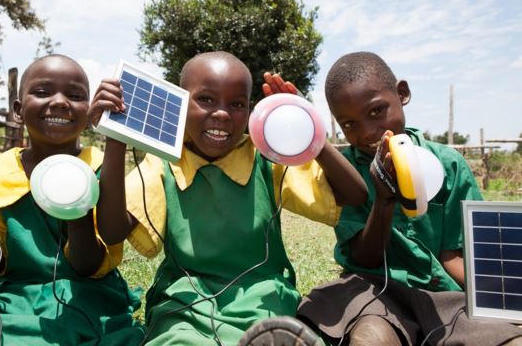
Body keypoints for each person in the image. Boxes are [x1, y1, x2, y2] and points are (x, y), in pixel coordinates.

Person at [92, 51, 367, 345]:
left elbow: (355, 194)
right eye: (206, 100)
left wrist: (309, 126)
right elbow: (111, 231)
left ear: (250, 111)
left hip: (262, 299)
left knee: (273, 337)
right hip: (185, 304)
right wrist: (116, 137)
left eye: (236, 104)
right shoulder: (163, 165)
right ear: (179, 105)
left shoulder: (268, 159)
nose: (222, 113)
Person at [290, 51, 522, 345]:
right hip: (373, 294)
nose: (368, 132)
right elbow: (365, 257)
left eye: (376, 111)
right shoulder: (344, 173)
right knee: (371, 337)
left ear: (402, 94)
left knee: (504, 339)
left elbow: (452, 255)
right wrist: (384, 200)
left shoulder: (449, 164)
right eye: (349, 125)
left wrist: (501, 294)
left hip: (444, 298)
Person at [0, 54, 145, 345]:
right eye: (42, 92)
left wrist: (77, 204)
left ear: (90, 109)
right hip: (12, 295)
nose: (59, 102)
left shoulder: (102, 170)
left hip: (86, 294)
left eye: (75, 95)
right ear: (18, 110)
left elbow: (87, 266)